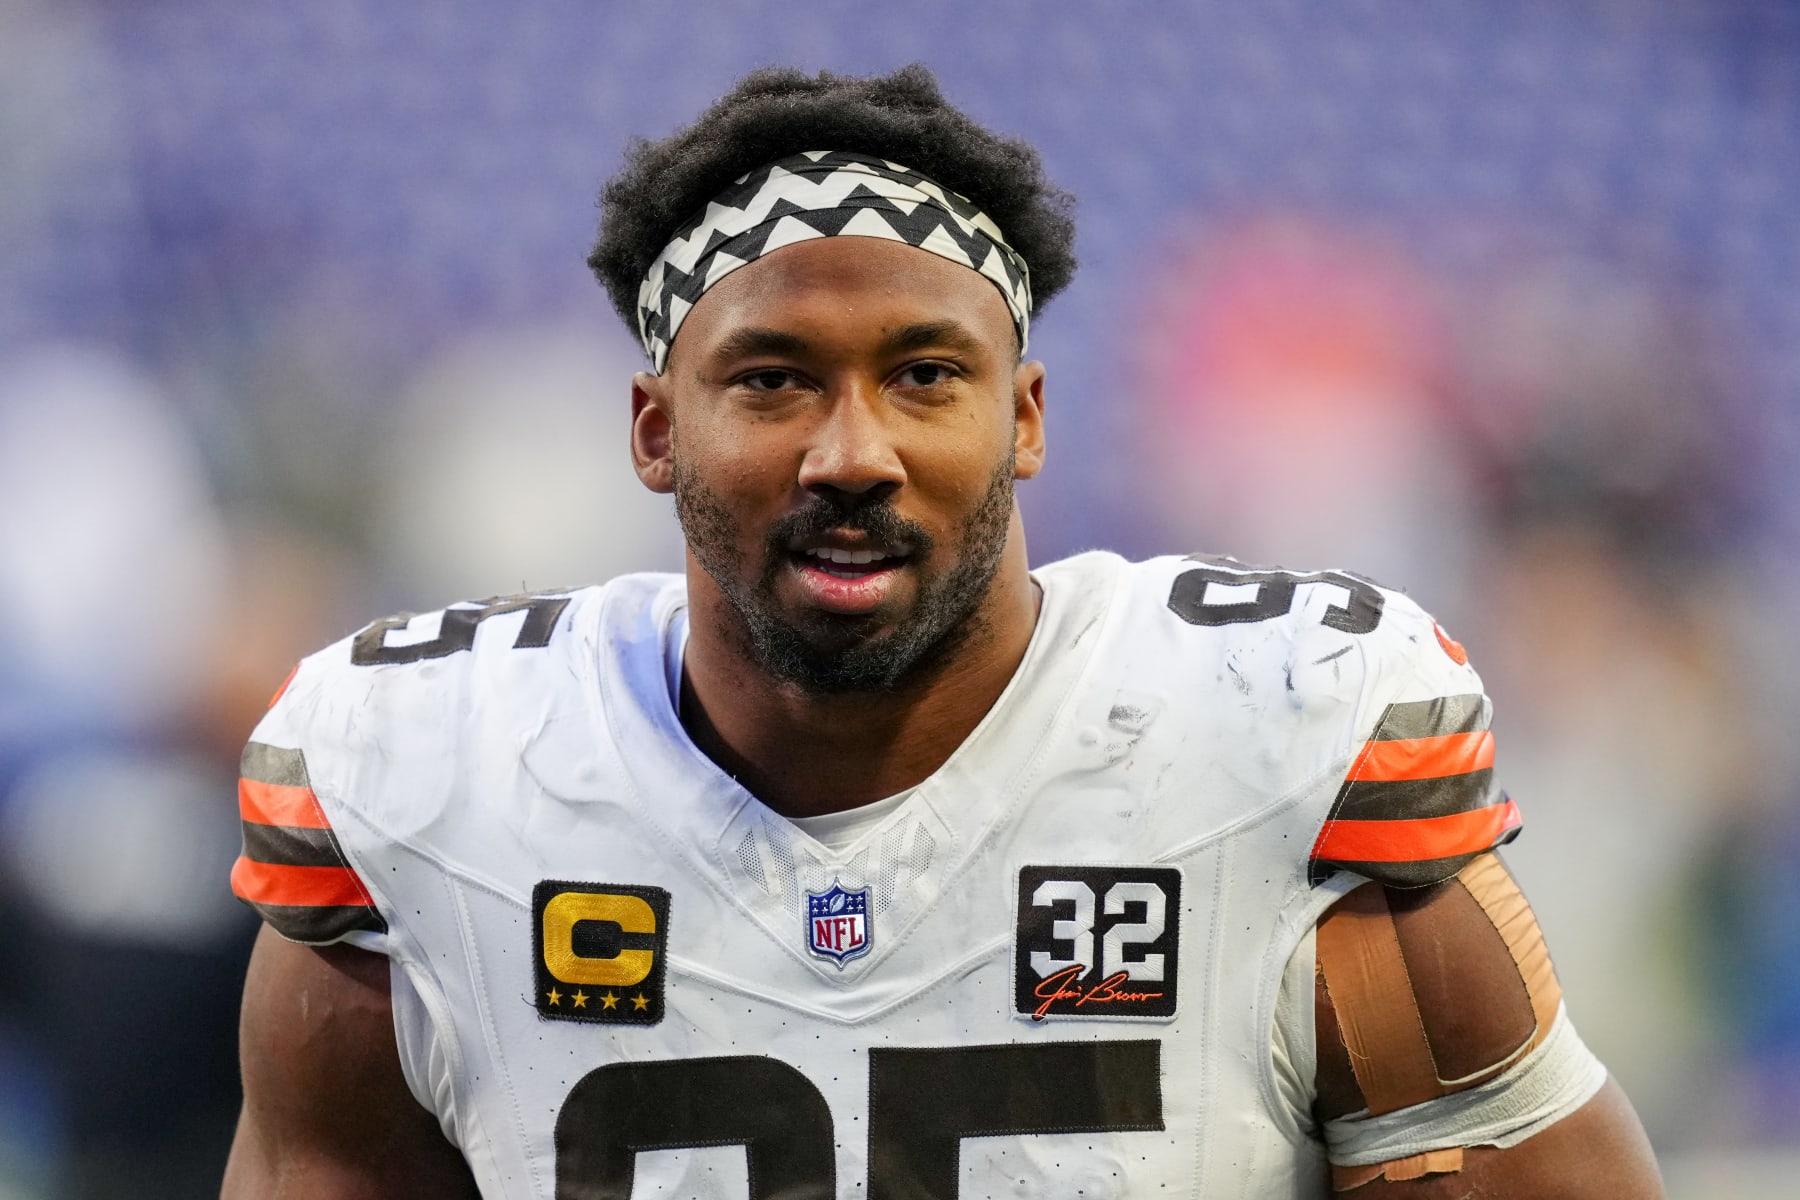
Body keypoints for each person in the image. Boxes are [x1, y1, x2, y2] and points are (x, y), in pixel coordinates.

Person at [220, 65, 1664, 1199]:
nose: (851, 452)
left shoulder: (1283, 731)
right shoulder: (426, 787)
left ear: (1024, 418)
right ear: (658, 432)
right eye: (774, 381)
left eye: (924, 375)